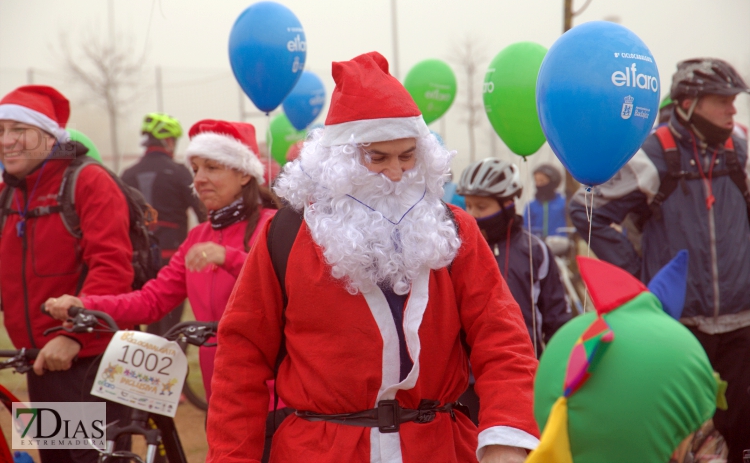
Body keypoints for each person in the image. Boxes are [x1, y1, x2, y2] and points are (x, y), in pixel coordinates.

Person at [205, 52, 539, 463]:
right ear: (339, 163)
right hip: (321, 451)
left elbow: (502, 339)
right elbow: (242, 358)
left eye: (407, 156)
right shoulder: (286, 236)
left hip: (437, 449)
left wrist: (506, 436)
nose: (396, 174)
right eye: (377, 158)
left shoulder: (454, 230)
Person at [569, 57, 750, 463]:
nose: (732, 109)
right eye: (721, 100)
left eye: (734, 100)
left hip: (742, 324)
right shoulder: (653, 154)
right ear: (688, 103)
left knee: (739, 434)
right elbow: (586, 210)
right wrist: (639, 277)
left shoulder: (739, 150)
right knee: (683, 437)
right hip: (679, 327)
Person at [46, 119, 278, 404]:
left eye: (212, 168)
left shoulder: (273, 225)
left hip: (273, 394)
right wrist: (86, 305)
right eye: (195, 170)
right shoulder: (198, 237)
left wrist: (230, 258)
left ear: (244, 174)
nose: (199, 179)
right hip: (219, 394)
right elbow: (151, 301)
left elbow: (287, 285)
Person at [0, 85, 133, 463]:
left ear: (47, 135)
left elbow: (112, 266)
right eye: (0, 130)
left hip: (90, 365)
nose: (7, 141)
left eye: (18, 129)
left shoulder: (88, 180)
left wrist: (72, 336)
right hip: (40, 365)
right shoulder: (9, 195)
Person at [458, 158, 571, 355]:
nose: (472, 214)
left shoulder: (535, 250)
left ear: (508, 204)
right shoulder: (457, 250)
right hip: (472, 375)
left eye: (481, 207)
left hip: (525, 365)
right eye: (468, 205)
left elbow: (557, 317)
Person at [121, 112, 206, 336]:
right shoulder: (180, 173)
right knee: (171, 329)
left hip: (138, 261)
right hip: (173, 259)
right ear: (168, 141)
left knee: (145, 324)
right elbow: (204, 213)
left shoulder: (127, 175)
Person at [522, 163, 567, 239]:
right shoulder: (530, 206)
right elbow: (526, 228)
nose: (538, 184)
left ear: (553, 182)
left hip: (560, 243)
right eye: (536, 181)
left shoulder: (564, 203)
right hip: (537, 244)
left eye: (542, 181)